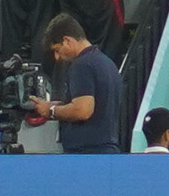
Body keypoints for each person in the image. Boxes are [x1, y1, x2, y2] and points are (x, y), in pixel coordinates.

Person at [40, 13, 128, 153]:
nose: (57, 57)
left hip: (86, 155)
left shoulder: (81, 65)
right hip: (108, 151)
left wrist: (51, 111)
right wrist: (62, 106)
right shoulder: (107, 63)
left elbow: (83, 110)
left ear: (67, 41)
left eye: (57, 50)